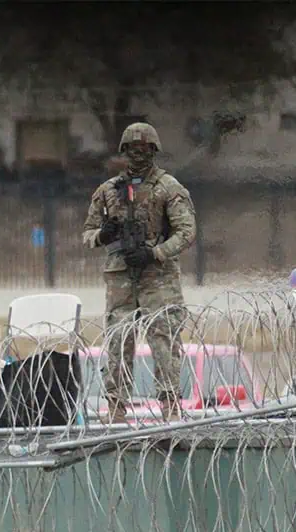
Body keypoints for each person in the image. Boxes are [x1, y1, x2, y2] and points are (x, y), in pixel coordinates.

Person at [82, 122, 197, 423]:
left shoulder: (168, 188)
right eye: (133, 150)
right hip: (120, 276)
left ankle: (170, 404)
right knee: (119, 341)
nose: (138, 155)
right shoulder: (108, 191)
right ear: (124, 151)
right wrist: (104, 236)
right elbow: (87, 233)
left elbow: (186, 232)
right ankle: (116, 407)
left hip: (158, 277)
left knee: (164, 339)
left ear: (154, 151)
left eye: (144, 150)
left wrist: (154, 252)